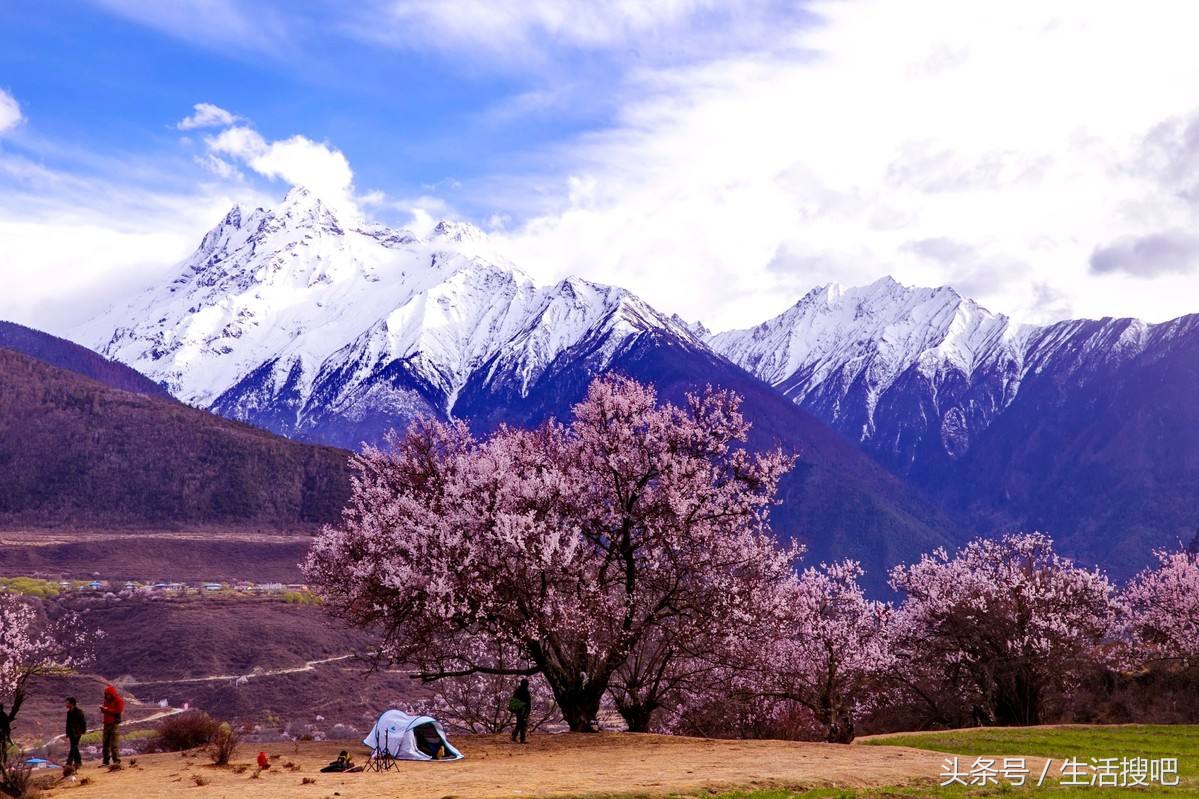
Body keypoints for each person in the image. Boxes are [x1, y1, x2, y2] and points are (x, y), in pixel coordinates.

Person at [99, 684, 125, 767]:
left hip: (114, 724)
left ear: (112, 694)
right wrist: (103, 709)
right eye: (106, 694)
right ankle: (105, 761)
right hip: (106, 724)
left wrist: (107, 710)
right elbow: (106, 711)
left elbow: (118, 711)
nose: (107, 696)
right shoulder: (106, 701)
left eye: (108, 694)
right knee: (105, 744)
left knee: (114, 744)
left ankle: (116, 761)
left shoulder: (119, 701)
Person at [0, 687, 24, 769]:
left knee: (3, 750)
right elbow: (7, 727)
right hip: (3, 735)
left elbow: (6, 727)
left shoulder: (4, 716)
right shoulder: (5, 716)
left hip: (2, 735)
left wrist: (7, 734)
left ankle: (2, 764)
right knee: (4, 750)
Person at [65, 697, 87, 769]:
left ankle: (69, 763)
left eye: (67, 703)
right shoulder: (69, 712)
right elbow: (68, 723)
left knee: (73, 747)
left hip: (77, 732)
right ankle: (78, 762)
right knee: (74, 747)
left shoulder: (79, 711)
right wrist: (67, 732)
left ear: (72, 704)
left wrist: (83, 731)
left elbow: (83, 722)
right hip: (71, 733)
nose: (66, 704)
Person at [509, 678, 531, 744]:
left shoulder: (518, 691)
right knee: (522, 724)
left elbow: (513, 700)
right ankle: (521, 739)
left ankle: (515, 736)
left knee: (520, 724)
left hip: (519, 709)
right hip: (522, 709)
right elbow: (528, 703)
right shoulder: (524, 692)